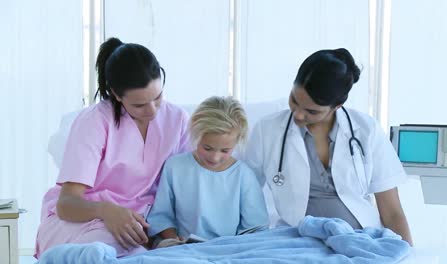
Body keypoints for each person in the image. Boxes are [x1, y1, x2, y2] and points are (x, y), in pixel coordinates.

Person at [35, 37, 191, 258]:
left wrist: (169, 233)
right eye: (139, 105)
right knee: (103, 250)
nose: (153, 110)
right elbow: (66, 204)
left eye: (157, 97)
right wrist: (107, 210)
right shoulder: (95, 121)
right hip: (85, 219)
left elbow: (182, 187)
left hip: (144, 226)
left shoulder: (178, 120)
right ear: (117, 95)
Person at [245, 48, 413, 245]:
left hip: (361, 240)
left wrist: (406, 254)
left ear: (337, 106)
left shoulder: (367, 130)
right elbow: (245, 192)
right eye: (294, 100)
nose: (298, 115)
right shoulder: (268, 130)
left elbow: (392, 212)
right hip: (297, 241)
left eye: (311, 111)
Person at [147, 96, 269, 248]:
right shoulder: (175, 167)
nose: (215, 157)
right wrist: (175, 240)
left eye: (225, 150)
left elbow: (255, 228)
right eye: (207, 148)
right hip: (182, 247)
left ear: (237, 142)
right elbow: (161, 215)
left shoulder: (244, 176)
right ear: (196, 135)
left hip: (228, 249)